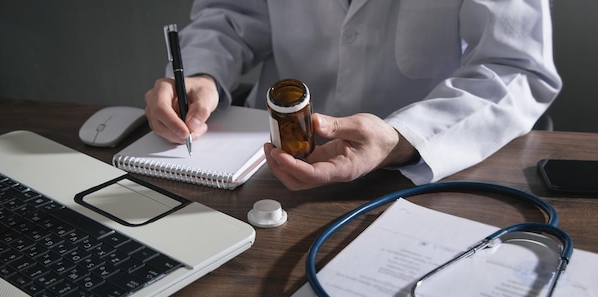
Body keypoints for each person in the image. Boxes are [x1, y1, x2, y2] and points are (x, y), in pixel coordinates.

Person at [144, 0, 561, 190]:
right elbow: (233, 13)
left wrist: (402, 139)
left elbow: (516, 67)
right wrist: (202, 72)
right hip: (267, 166)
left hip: (412, 172)